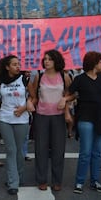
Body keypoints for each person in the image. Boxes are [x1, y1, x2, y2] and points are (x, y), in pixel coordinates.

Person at [66, 51, 101, 194]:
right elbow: (70, 94)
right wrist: (67, 103)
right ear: (94, 63)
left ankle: (95, 181)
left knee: (97, 152)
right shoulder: (80, 79)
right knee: (85, 152)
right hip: (85, 118)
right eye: (100, 62)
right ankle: (79, 182)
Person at [0, 55, 34, 195]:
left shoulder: (25, 79)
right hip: (5, 118)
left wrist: (25, 107)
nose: (18, 66)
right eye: (14, 64)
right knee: (11, 150)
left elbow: (34, 97)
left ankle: (18, 177)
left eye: (18, 64)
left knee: (19, 150)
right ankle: (13, 182)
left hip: (22, 119)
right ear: (7, 67)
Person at [28, 49, 71, 192]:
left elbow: (70, 95)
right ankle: (42, 180)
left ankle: (57, 180)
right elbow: (33, 95)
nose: (46, 61)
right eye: (45, 59)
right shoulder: (39, 76)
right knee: (41, 149)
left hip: (58, 117)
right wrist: (29, 102)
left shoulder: (64, 76)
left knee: (58, 150)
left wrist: (66, 108)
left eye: (50, 59)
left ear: (56, 61)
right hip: (41, 116)